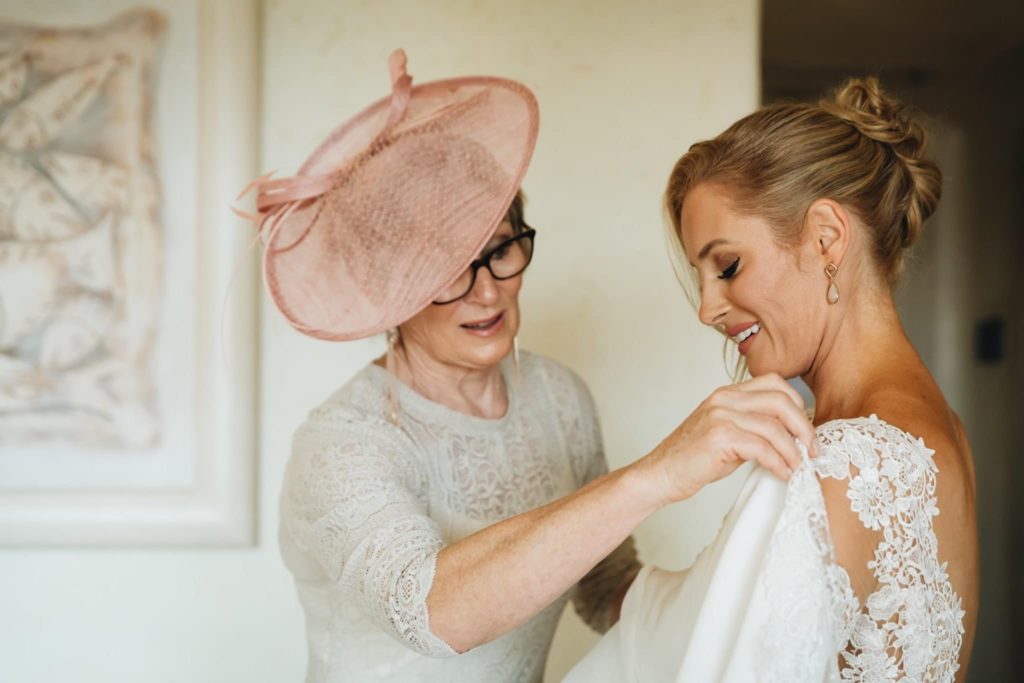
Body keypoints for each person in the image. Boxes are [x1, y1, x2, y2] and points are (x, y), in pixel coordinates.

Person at [244, 51, 818, 682]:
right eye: (447, 270)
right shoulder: (340, 444)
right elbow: (431, 612)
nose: (486, 292)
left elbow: (604, 591)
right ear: (387, 287)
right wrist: (658, 472)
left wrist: (755, 596)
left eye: (500, 250)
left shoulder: (559, 399)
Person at [565, 77, 979, 682]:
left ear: (826, 237)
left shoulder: (836, 466)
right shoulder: (935, 436)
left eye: (727, 266)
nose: (707, 309)